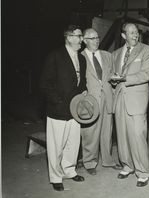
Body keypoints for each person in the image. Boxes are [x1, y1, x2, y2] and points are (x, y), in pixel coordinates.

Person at [40, 25, 87, 191]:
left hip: (75, 110)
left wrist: (84, 93)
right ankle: (55, 177)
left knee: (73, 143)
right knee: (56, 145)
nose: (82, 39)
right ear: (69, 37)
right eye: (79, 36)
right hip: (58, 110)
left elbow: (82, 82)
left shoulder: (81, 58)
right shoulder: (55, 56)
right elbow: (45, 84)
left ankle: (69, 170)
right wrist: (58, 101)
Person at [110, 23, 149, 187]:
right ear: (123, 36)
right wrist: (113, 79)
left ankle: (142, 172)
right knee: (121, 135)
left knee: (137, 135)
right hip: (119, 98)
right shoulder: (115, 54)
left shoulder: (147, 50)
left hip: (136, 99)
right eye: (132, 33)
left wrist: (123, 79)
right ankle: (127, 165)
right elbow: (113, 75)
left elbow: (147, 74)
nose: (136, 35)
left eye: (137, 32)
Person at [80, 28, 122, 175]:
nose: (96, 40)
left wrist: (115, 80)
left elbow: (111, 75)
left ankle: (108, 160)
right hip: (90, 100)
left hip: (107, 98)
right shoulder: (80, 57)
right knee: (90, 132)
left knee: (107, 131)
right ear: (84, 40)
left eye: (97, 37)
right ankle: (90, 162)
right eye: (92, 38)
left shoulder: (107, 55)